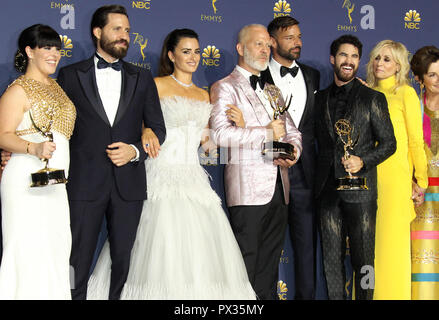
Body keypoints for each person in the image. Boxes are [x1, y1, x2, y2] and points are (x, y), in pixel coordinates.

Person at [86, 28, 256, 300]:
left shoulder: (204, 95)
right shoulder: (155, 84)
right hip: (158, 175)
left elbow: (206, 144)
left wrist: (241, 126)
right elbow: (135, 124)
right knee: (157, 247)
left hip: (193, 180)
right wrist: (145, 131)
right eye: (186, 51)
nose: (194, 57)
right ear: (171, 54)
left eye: (197, 51)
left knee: (198, 255)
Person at [57, 5, 166, 300]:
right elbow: (57, 129)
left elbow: (158, 128)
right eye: (117, 29)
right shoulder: (69, 75)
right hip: (83, 182)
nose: (124, 36)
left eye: (127, 31)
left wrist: (133, 151)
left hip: (128, 184)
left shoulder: (142, 78)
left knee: (123, 260)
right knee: (77, 257)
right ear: (97, 32)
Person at [209, 24, 302, 300]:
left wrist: (293, 153)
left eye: (267, 45)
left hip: (279, 188)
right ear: (240, 48)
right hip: (247, 191)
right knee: (245, 267)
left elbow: (292, 131)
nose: (265, 50)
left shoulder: (273, 90)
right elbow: (220, 134)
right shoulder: (225, 87)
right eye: (258, 44)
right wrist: (265, 133)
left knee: (269, 270)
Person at [314, 35, 396, 300]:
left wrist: (363, 160)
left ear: (359, 61)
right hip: (327, 191)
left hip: (361, 192)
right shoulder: (320, 98)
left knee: (365, 261)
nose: (348, 61)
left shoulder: (373, 98)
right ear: (332, 59)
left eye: (354, 56)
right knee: (331, 262)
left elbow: (389, 143)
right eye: (343, 55)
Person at [0, 24, 75, 299]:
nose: (54, 54)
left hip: (55, 180)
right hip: (25, 179)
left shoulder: (57, 87)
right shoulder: (18, 90)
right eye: (46, 47)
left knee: (56, 245)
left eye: (57, 48)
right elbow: (2, 135)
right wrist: (34, 148)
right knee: (27, 248)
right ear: (29, 51)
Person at [261, 16, 320, 300]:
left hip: (305, 174)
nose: (297, 42)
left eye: (298, 36)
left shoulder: (312, 75)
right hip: (266, 172)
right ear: (272, 41)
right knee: (266, 247)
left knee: (306, 246)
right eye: (289, 38)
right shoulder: (256, 76)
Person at [366, 40, 428, 300]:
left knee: (392, 248)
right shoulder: (364, 92)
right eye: (377, 57)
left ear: (399, 66)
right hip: (366, 178)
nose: (380, 63)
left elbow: (415, 140)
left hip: (395, 181)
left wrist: (421, 181)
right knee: (369, 249)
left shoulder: (406, 94)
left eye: (387, 59)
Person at [410, 45, 439, 300]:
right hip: (421, 198)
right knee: (422, 262)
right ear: (419, 79)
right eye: (432, 75)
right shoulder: (413, 109)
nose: (438, 80)